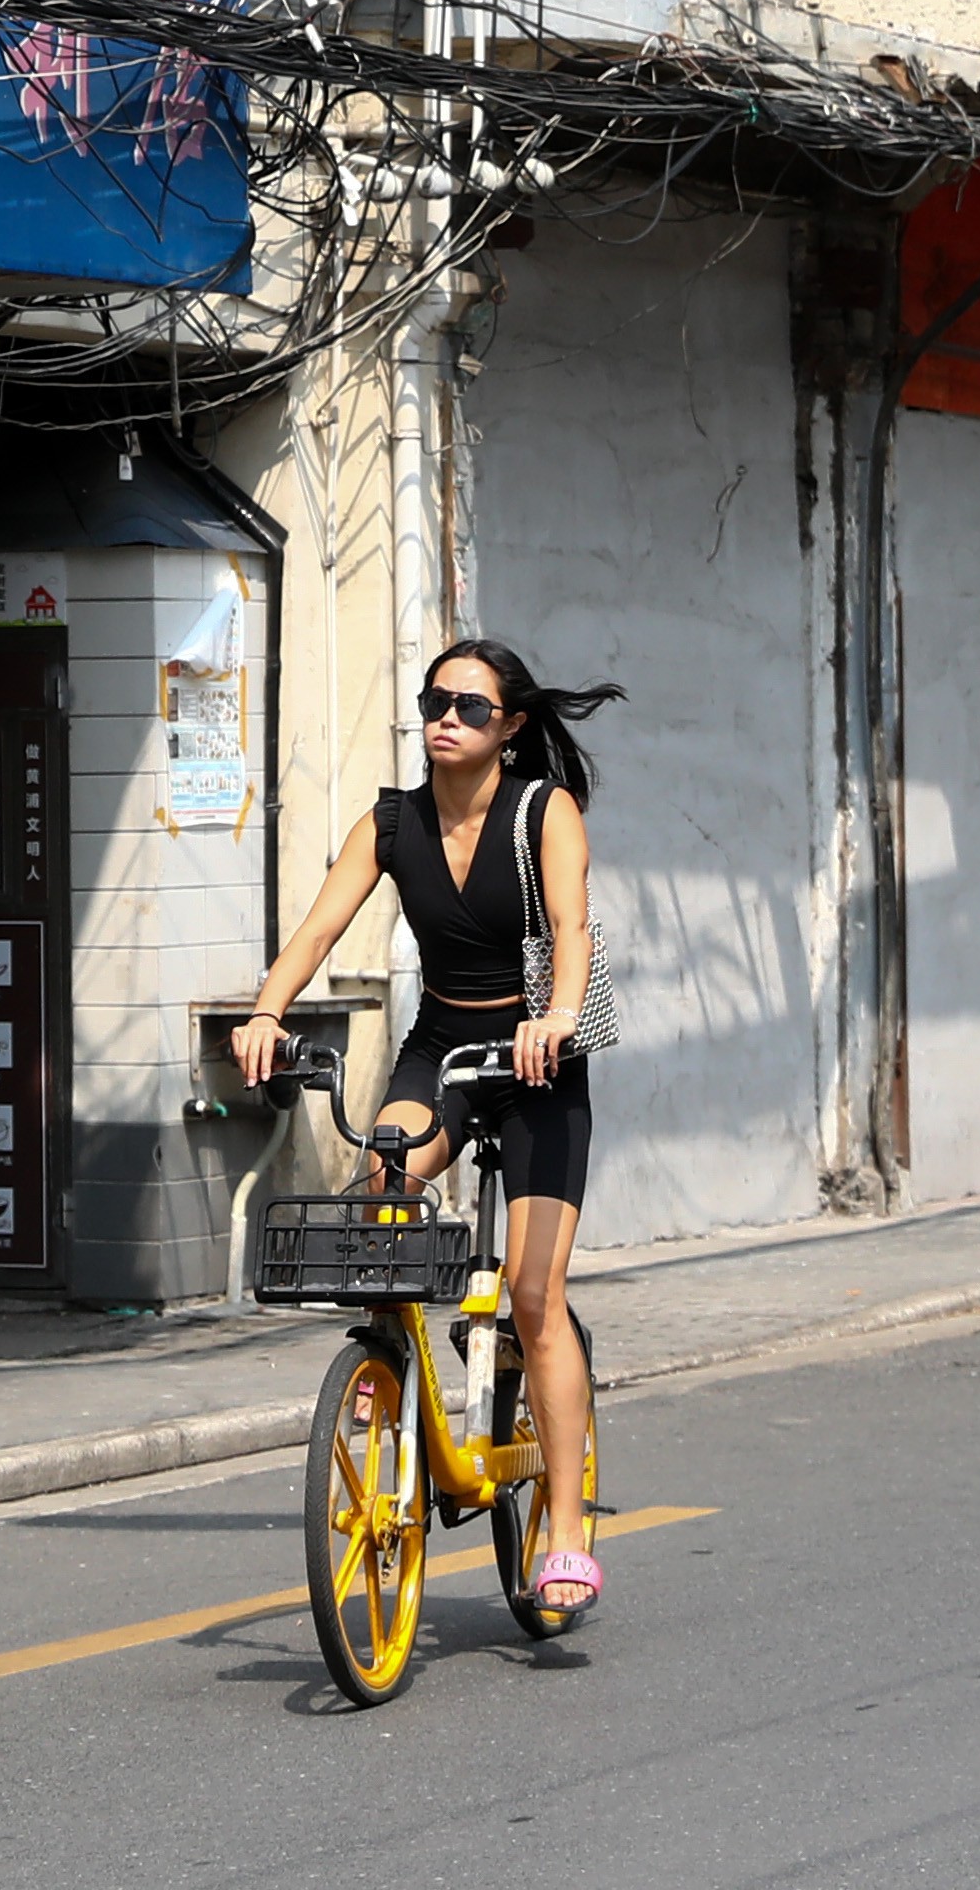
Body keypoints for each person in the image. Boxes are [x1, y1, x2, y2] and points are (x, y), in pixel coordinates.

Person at [231, 637, 618, 1614]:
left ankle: (565, 1530)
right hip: (442, 1047)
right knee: (384, 1188)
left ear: (512, 726)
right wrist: (268, 1010)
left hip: (536, 1062)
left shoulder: (543, 811)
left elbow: (571, 932)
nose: (447, 716)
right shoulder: (393, 821)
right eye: (434, 700)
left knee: (536, 1292)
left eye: (471, 707)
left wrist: (558, 1019)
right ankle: (395, 1381)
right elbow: (318, 931)